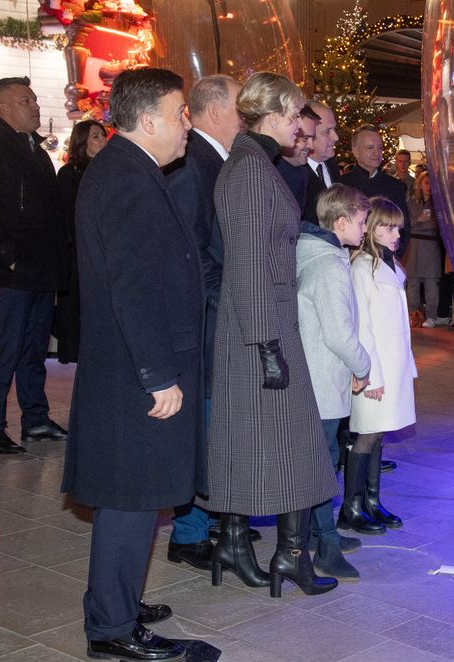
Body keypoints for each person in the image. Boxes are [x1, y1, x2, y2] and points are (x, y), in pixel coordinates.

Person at [62, 67, 201, 662]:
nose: (186, 125)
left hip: (129, 368)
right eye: (179, 114)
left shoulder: (130, 170)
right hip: (133, 375)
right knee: (130, 498)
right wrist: (158, 375)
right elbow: (133, 287)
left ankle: (117, 599)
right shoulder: (126, 179)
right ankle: (113, 626)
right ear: (148, 121)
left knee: (136, 497)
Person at [206, 71, 338, 598]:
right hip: (261, 327)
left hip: (260, 324)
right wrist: (267, 346)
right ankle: (287, 556)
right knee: (295, 444)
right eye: (293, 118)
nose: (298, 129)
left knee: (257, 440)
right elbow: (249, 264)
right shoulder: (252, 170)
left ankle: (242, 544)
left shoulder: (252, 164)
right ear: (276, 115)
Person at [163, 74, 244, 574]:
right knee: (204, 425)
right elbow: (194, 251)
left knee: (215, 427)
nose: (247, 115)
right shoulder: (196, 164)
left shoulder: (215, 159)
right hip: (208, 319)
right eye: (240, 107)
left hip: (217, 314)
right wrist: (225, 301)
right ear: (215, 111)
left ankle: (208, 518)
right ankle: (189, 532)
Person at [0, 76, 68, 455]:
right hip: (12, 271)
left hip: (42, 269)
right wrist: (7, 254)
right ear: (4, 108)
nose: (36, 106)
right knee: (6, 348)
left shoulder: (37, 151)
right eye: (27, 101)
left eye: (35, 99)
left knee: (35, 348)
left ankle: (35, 418)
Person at [296, 184, 373, 580]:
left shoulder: (322, 254)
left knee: (321, 461)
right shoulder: (328, 264)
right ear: (340, 222)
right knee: (323, 466)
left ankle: (319, 532)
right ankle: (324, 547)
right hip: (321, 380)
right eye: (361, 222)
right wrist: (363, 366)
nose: (365, 229)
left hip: (318, 377)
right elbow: (339, 334)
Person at [342, 196, 417, 535]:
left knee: (379, 435)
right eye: (388, 227)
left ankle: (372, 500)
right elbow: (363, 328)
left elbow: (400, 323)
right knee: (366, 437)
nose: (396, 233)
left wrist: (408, 366)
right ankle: (351, 506)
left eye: (398, 227)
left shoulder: (391, 265)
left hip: (394, 364)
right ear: (371, 229)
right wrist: (369, 376)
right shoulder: (360, 268)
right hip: (375, 369)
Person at [54, 120, 107, 364]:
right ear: (82, 141)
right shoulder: (69, 174)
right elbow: (65, 217)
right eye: (95, 136)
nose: (102, 140)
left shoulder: (110, 171)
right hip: (78, 257)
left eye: (103, 135)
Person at [340, 125, 410, 255]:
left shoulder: (394, 186)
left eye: (380, 148)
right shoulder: (342, 185)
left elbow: (404, 228)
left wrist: (392, 257)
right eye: (370, 147)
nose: (377, 153)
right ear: (355, 151)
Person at [405, 171, 445, 327]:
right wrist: (418, 220)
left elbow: (437, 225)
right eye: (426, 183)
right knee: (412, 281)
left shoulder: (439, 204)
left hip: (431, 245)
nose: (429, 187)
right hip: (414, 244)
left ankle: (431, 317)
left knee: (431, 282)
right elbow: (406, 223)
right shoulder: (412, 202)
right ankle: (413, 314)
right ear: (420, 184)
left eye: (432, 183)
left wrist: (420, 224)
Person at [275, 103, 320, 209]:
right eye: (305, 139)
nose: (311, 146)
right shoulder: (271, 171)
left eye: (312, 138)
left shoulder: (302, 170)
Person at [303, 100, 340, 226]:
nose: (336, 137)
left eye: (334, 129)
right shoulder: (294, 172)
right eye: (327, 131)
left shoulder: (332, 165)